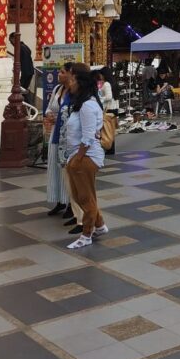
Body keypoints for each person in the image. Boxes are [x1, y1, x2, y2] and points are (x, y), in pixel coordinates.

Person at [63, 63, 108, 249]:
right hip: (78, 155)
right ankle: (100, 225)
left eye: (71, 79)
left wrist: (78, 159)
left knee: (85, 198)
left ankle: (86, 234)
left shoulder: (88, 105)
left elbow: (88, 136)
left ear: (79, 81)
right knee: (81, 196)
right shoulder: (81, 104)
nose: (69, 83)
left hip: (86, 156)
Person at [44, 65, 71, 215]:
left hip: (67, 134)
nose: (59, 74)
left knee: (66, 168)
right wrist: (49, 114)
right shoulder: (57, 89)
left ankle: (70, 203)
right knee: (54, 166)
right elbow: (49, 108)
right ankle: (59, 200)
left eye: (62, 72)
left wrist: (61, 118)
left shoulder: (74, 92)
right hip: (55, 132)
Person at [94, 68, 118, 155]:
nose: (100, 76)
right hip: (113, 109)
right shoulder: (111, 83)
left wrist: (100, 99)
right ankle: (110, 148)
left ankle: (108, 147)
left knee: (107, 130)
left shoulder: (106, 84)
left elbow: (109, 97)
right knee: (110, 130)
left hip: (109, 110)